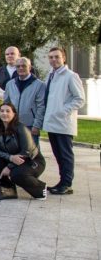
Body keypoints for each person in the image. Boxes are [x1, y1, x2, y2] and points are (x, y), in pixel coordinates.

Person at [43, 47, 85, 195]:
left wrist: (63, 110)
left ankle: (67, 184)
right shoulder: (51, 75)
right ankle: (62, 182)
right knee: (58, 154)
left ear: (64, 58)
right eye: (51, 57)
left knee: (65, 155)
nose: (53, 60)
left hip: (63, 122)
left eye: (57, 57)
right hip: (52, 123)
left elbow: (80, 99)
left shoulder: (70, 76)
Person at [0, 103, 47, 200]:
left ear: (14, 114)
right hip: (12, 159)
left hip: (31, 161)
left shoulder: (21, 128)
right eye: (2, 111)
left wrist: (9, 167)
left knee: (16, 175)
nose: (4, 113)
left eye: (8, 111)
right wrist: (10, 158)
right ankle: (8, 188)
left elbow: (27, 151)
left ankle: (40, 188)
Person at [3, 57, 45, 145]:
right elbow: (6, 104)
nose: (21, 68)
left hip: (30, 125)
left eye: (24, 66)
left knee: (32, 153)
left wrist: (37, 125)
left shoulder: (39, 85)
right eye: (18, 66)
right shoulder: (10, 84)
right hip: (13, 124)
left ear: (29, 67)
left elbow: (41, 107)